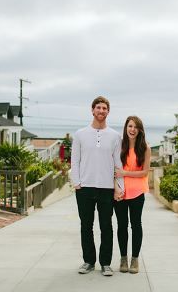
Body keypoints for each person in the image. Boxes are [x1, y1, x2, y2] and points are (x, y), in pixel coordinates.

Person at [71, 96, 125, 276]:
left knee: (106, 226)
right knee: (86, 226)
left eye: (104, 108)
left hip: (106, 189)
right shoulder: (80, 134)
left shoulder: (115, 136)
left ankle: (106, 263)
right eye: (98, 108)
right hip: (84, 188)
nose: (101, 111)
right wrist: (77, 184)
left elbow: (118, 164)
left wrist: (119, 187)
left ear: (108, 112)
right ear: (92, 110)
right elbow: (75, 161)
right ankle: (88, 261)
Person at [113, 115, 150, 274]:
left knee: (136, 225)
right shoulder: (119, 146)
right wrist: (116, 188)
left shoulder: (145, 148)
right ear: (125, 128)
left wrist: (125, 172)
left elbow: (145, 172)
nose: (132, 130)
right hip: (120, 193)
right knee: (122, 225)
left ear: (139, 130)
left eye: (135, 127)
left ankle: (135, 259)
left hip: (137, 192)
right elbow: (113, 171)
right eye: (130, 126)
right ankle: (123, 258)